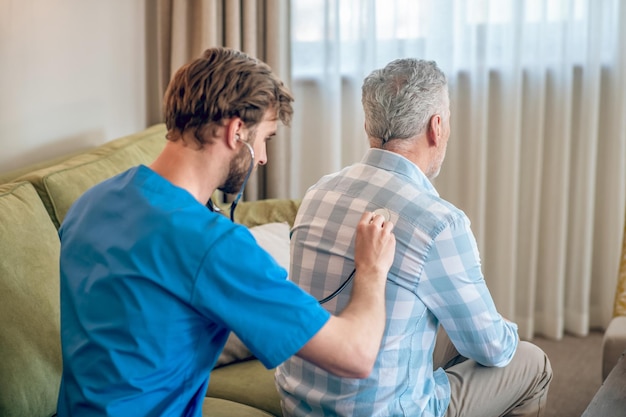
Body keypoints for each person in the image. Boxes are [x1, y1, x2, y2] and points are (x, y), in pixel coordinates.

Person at [56, 47, 396, 417]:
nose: (263, 157)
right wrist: (372, 269)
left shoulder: (91, 202)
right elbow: (355, 354)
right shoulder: (211, 245)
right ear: (237, 131)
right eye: (264, 137)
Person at [275, 58, 553, 417]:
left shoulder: (318, 193)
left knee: (454, 327)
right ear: (436, 127)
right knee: (530, 362)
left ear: (368, 125)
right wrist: (505, 330)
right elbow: (494, 349)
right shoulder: (439, 223)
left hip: (298, 404)